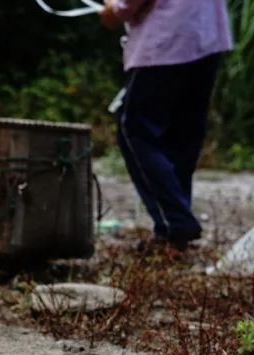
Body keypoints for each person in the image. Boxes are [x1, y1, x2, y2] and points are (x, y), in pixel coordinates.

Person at [99, 0, 233, 250]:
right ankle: (173, 230)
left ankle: (175, 221)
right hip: (207, 41)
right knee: (182, 137)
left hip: (165, 42)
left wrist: (115, 10)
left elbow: (125, 8)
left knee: (135, 130)